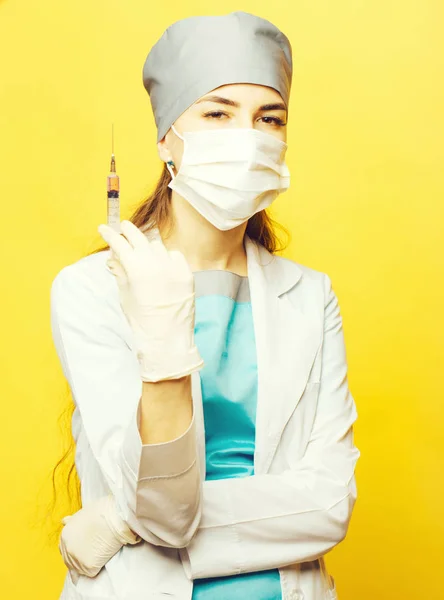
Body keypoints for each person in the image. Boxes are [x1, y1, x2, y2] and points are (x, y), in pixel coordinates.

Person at [50, 10, 360, 600]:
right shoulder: (89, 289)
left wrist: (120, 521)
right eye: (217, 113)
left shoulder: (311, 295)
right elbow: (165, 514)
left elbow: (329, 505)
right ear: (168, 135)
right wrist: (163, 334)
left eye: (268, 118)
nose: (246, 136)